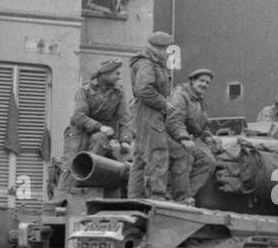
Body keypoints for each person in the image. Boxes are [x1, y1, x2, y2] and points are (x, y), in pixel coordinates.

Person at [57, 58, 132, 195]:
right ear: (105, 73)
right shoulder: (85, 90)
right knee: (71, 167)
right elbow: (79, 116)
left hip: (101, 135)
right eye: (116, 73)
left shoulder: (119, 93)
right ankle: (60, 199)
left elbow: (124, 119)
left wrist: (125, 140)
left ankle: (89, 190)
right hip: (78, 132)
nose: (119, 76)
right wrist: (100, 126)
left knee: (98, 162)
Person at [128, 31, 175, 200]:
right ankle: (157, 196)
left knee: (140, 157)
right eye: (166, 49)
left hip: (144, 113)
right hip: (149, 113)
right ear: (158, 48)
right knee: (158, 154)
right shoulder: (147, 64)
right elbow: (143, 89)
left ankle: (134, 197)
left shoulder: (148, 62)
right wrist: (164, 103)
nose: (168, 52)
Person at [167, 68, 219, 206]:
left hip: (182, 137)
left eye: (207, 82)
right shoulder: (181, 95)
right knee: (186, 156)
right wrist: (184, 139)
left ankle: (184, 195)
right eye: (201, 81)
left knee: (208, 161)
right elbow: (174, 119)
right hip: (169, 136)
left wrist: (208, 138)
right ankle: (180, 197)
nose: (204, 85)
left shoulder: (199, 100)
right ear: (192, 81)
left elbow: (201, 126)